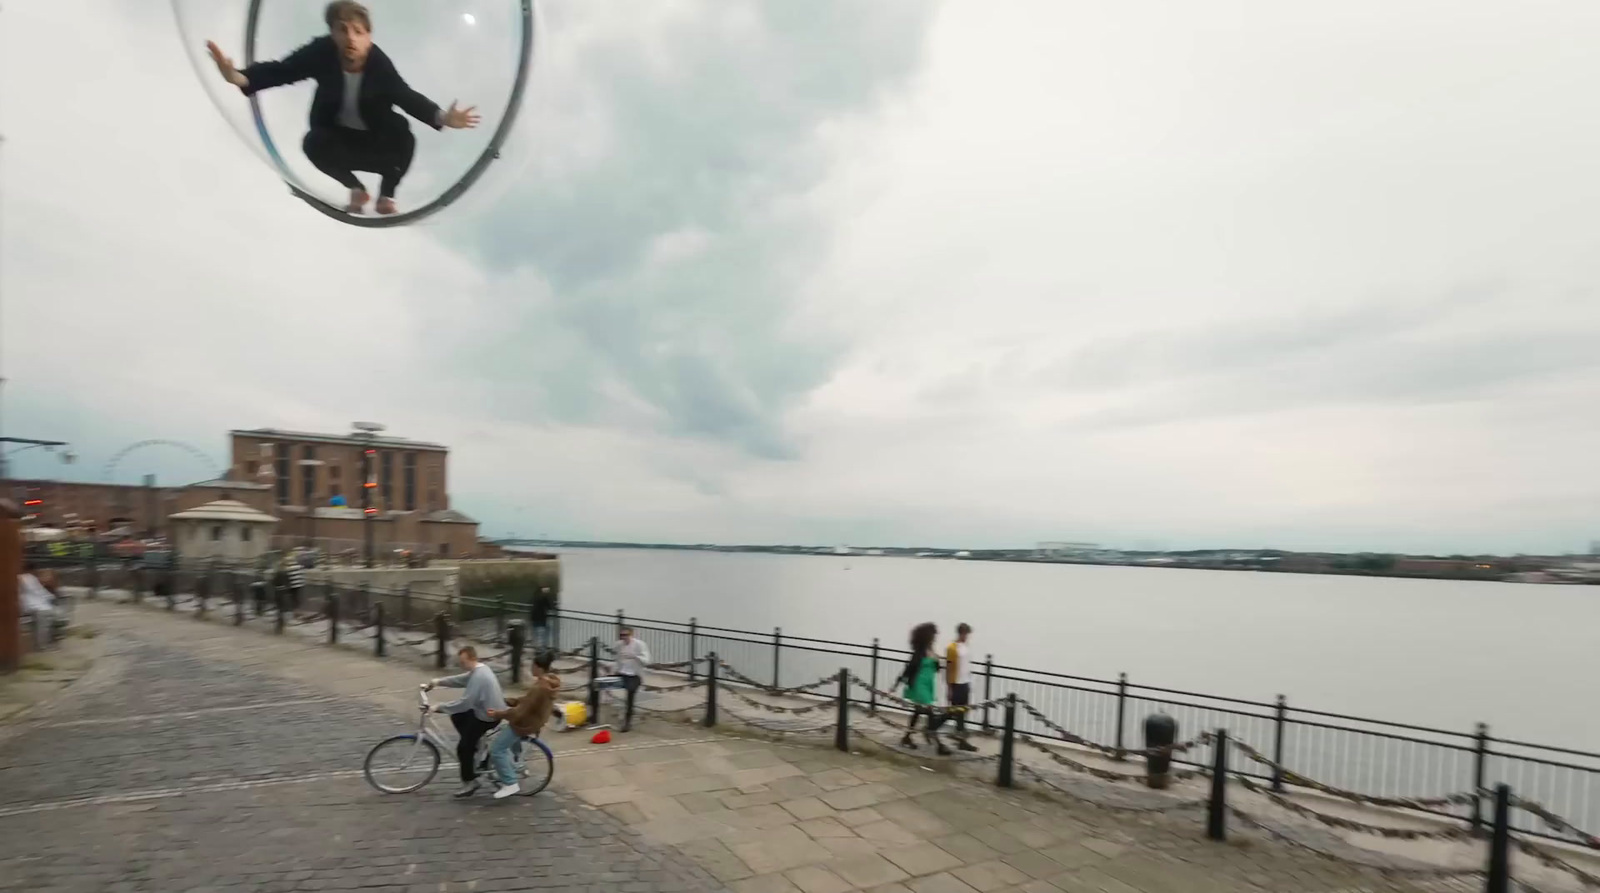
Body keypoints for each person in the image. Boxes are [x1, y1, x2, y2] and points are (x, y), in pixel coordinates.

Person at [204, 1, 482, 216]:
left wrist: (443, 117)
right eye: (343, 30)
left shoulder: (378, 65)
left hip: (378, 142)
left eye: (358, 32)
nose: (350, 38)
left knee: (403, 132)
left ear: (369, 37)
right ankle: (356, 189)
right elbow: (283, 71)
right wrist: (238, 77)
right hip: (337, 140)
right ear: (333, 34)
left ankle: (387, 194)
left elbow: (404, 96)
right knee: (312, 142)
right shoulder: (322, 52)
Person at [426, 645, 508, 797]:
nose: (462, 666)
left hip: (488, 716)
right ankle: (475, 745)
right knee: (457, 715)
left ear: (473, 659)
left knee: (463, 748)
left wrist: (439, 707)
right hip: (486, 710)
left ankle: (470, 782)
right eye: (460, 663)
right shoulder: (480, 669)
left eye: (463, 662)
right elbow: (461, 680)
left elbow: (465, 702)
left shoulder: (479, 676)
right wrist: (438, 682)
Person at [484, 649, 561, 799]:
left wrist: (498, 714)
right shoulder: (546, 683)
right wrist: (507, 700)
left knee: (497, 749)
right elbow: (526, 701)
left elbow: (521, 711)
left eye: (532, 666)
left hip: (524, 724)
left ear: (538, 668)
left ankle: (510, 783)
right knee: (502, 741)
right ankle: (512, 766)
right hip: (533, 720)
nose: (530, 668)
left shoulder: (539, 688)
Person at [894, 622, 950, 756]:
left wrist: (938, 660)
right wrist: (897, 684)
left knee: (918, 712)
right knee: (929, 711)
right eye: (933, 635)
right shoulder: (919, 652)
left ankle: (907, 737)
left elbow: (936, 669)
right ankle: (939, 744)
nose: (935, 638)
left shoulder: (931, 651)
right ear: (927, 636)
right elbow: (909, 668)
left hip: (929, 684)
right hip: (919, 684)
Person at [945, 623, 978, 752]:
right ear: (961, 633)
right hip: (956, 683)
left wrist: (970, 683)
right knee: (952, 712)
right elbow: (949, 668)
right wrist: (949, 687)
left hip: (964, 683)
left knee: (962, 713)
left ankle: (961, 740)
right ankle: (933, 726)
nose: (967, 637)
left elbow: (967, 666)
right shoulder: (952, 648)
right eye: (966, 634)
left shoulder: (965, 647)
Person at [611, 627, 650, 733]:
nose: (624, 638)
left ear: (631, 635)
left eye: (626, 635)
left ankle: (627, 722)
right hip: (621, 672)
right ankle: (594, 714)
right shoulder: (619, 645)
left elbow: (646, 661)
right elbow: (616, 658)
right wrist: (614, 670)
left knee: (630, 693)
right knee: (598, 683)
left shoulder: (639, 645)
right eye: (622, 635)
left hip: (634, 674)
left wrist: (635, 656)